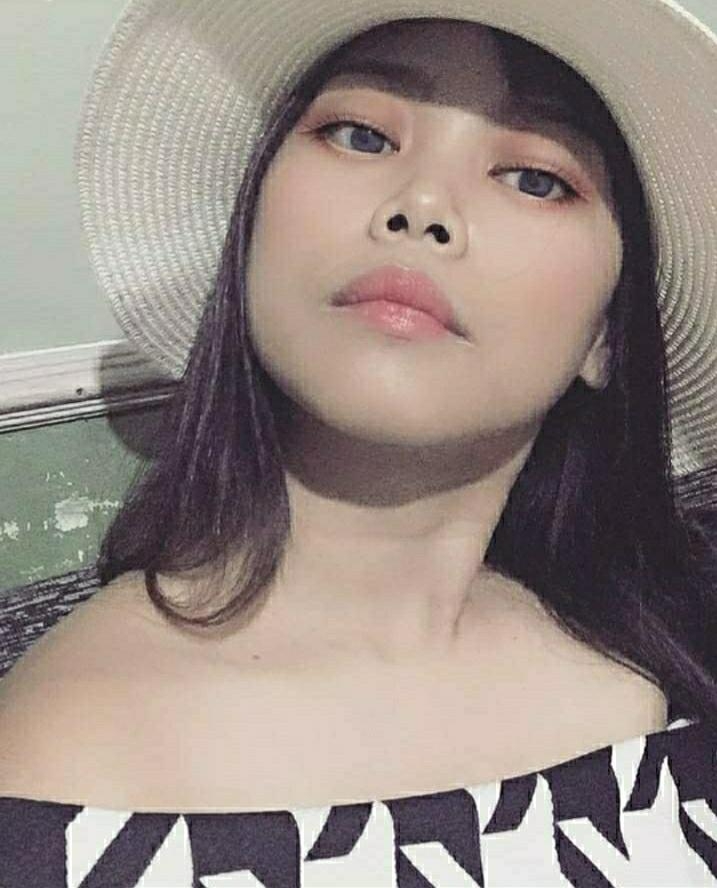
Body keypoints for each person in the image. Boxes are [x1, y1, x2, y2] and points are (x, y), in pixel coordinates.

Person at [0, 0, 716, 884]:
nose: (422, 206)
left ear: (608, 333)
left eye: (535, 178)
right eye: (360, 136)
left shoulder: (665, 653)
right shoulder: (60, 777)